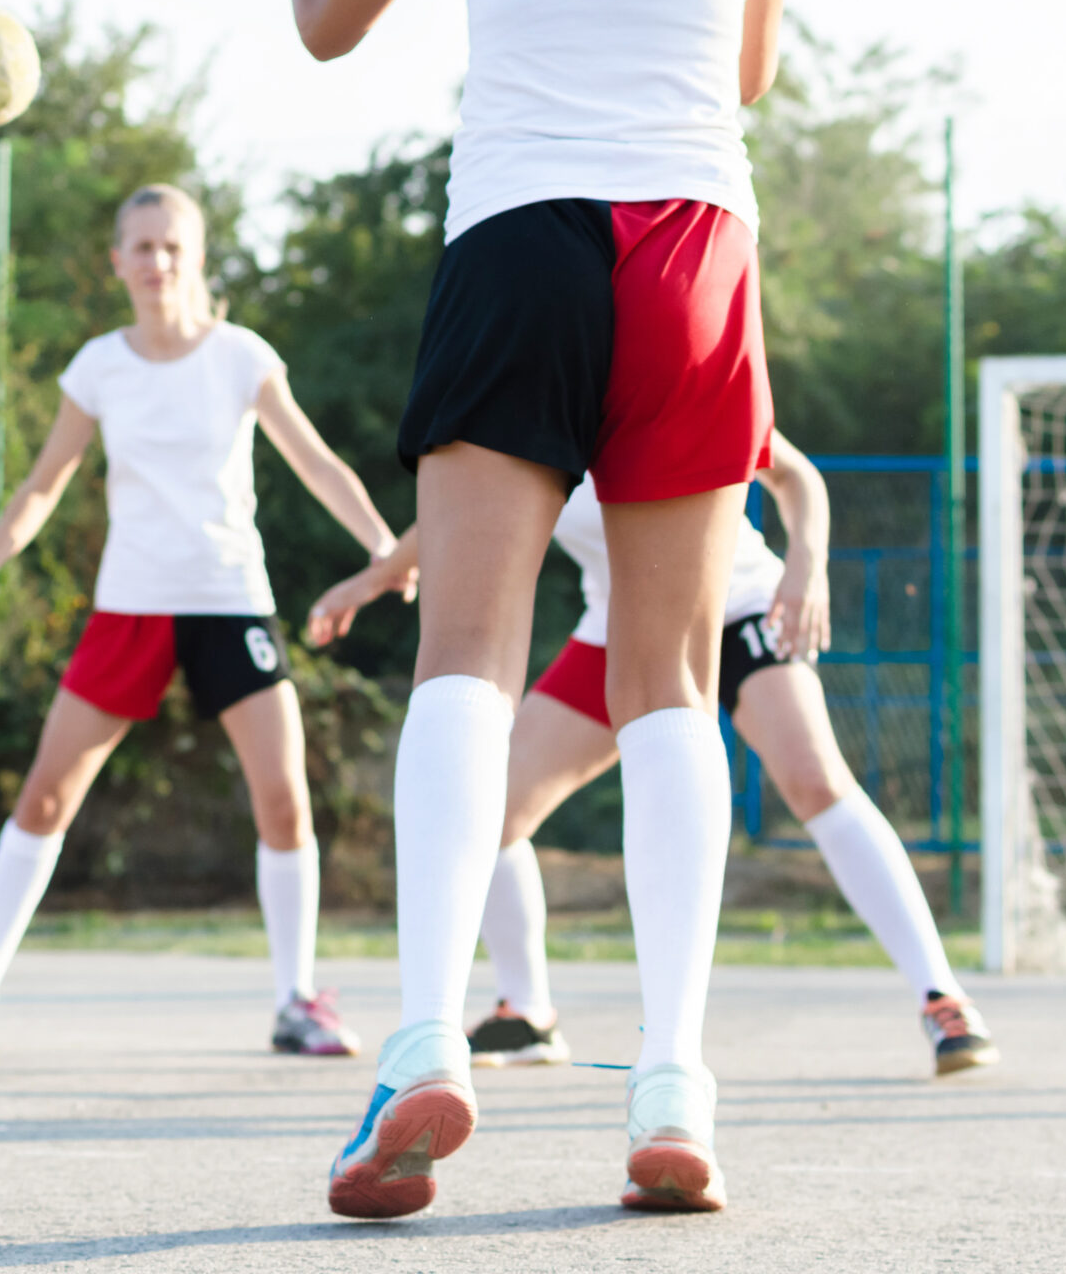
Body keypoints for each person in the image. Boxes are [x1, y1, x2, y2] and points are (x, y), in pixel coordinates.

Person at [236, 0, 787, 1216]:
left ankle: (421, 1049)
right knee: (671, 679)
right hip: (695, 244)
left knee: (467, 650)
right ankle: (673, 1080)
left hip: (523, 234)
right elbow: (748, 76)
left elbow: (333, 30)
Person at [308, 432, 999, 1078]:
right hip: (620, 631)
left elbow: (795, 476)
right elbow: (468, 507)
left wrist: (807, 567)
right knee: (494, 809)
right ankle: (526, 1013)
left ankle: (943, 999)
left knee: (815, 782)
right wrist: (367, 582)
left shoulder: (665, 361)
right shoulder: (539, 400)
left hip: (739, 610)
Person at [0, 185, 399, 1061]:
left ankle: (298, 1000)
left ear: (197, 257)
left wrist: (385, 551)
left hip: (230, 601)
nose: (157, 261)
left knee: (284, 802)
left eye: (172, 246)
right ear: (117, 261)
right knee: (46, 796)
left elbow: (316, 463)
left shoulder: (242, 356)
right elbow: (44, 483)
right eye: (141, 246)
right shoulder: (99, 365)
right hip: (130, 605)